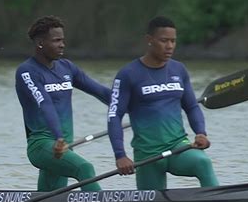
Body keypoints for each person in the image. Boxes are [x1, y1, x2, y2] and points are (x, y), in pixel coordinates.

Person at [107, 16, 219, 190]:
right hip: (147, 154)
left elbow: (191, 106)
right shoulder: (128, 74)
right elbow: (114, 116)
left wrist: (201, 133)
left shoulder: (178, 69)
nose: (170, 46)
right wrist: (120, 155)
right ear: (149, 40)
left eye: (173, 41)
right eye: (164, 41)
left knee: (202, 162)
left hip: (178, 147)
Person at [15, 15, 110, 192]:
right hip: (42, 145)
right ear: (40, 43)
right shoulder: (27, 72)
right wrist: (59, 137)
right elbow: (45, 104)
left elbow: (101, 92)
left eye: (63, 40)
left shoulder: (67, 67)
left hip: (63, 146)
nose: (62, 45)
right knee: (85, 168)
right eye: (56, 40)